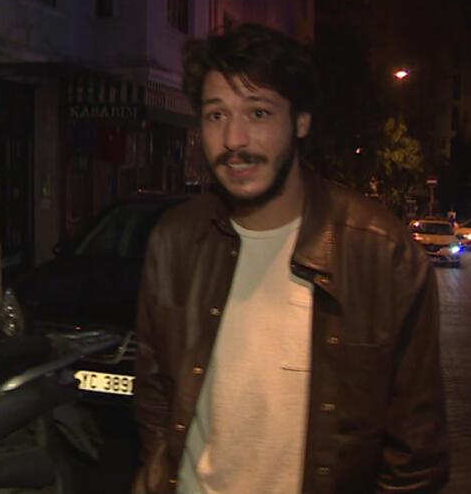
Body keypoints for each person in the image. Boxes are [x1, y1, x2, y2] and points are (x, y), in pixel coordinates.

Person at [132, 24, 449, 494]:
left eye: (258, 112)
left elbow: (415, 455)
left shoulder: (380, 252)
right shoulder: (175, 240)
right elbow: (155, 390)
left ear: (300, 121)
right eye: (216, 115)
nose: (234, 139)